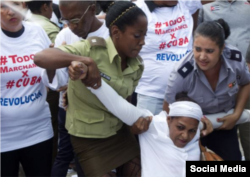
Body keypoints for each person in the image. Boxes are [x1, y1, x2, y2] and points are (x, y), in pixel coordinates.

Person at [34, 1, 148, 177]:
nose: (143, 42)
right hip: (90, 138)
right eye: (137, 36)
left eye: (144, 35)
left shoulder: (137, 65)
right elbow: (41, 57)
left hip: (119, 133)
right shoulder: (91, 49)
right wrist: (85, 61)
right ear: (116, 32)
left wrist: (132, 122)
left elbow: (125, 100)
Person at [163, 19, 250, 160]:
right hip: (193, 130)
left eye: (209, 51)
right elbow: (168, 110)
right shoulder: (182, 73)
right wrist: (192, 128)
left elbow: (246, 83)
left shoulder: (235, 59)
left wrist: (236, 114)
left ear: (222, 49)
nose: (202, 57)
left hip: (225, 124)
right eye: (197, 49)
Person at [41, 0, 109, 176]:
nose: (71, 26)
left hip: (104, 113)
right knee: (70, 157)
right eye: (65, 20)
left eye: (75, 20)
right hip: (71, 111)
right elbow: (57, 81)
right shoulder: (64, 35)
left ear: (92, 10)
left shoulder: (111, 33)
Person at [133, 0, 215, 115]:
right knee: (152, 131)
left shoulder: (184, 3)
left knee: (188, 132)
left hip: (187, 94)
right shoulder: (137, 9)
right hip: (152, 95)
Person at [0, 1, 53, 177]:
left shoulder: (37, 32)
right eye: (2, 6)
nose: (10, 11)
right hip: (3, 137)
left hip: (38, 130)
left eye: (14, 4)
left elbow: (51, 74)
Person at [198, 1, 250, 160]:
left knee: (248, 134)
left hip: (245, 79)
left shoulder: (248, 6)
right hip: (216, 84)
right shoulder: (205, 9)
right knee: (221, 135)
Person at [25, 0, 60, 164]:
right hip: (49, 91)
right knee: (54, 129)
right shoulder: (49, 28)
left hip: (37, 113)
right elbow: (58, 60)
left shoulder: (33, 26)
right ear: (45, 6)